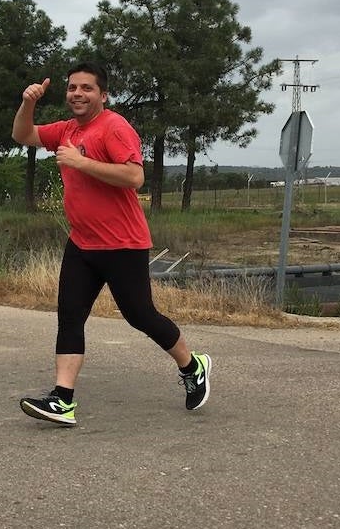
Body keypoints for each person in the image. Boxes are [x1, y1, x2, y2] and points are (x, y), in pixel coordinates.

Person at [11, 62, 210, 426]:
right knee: (70, 317)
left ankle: (192, 364)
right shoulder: (67, 130)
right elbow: (24, 136)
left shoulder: (114, 127)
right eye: (72, 88)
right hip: (82, 243)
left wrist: (81, 162)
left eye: (87, 88)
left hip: (123, 244)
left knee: (141, 316)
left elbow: (134, 176)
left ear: (103, 95)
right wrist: (28, 103)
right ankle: (63, 399)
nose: (77, 94)